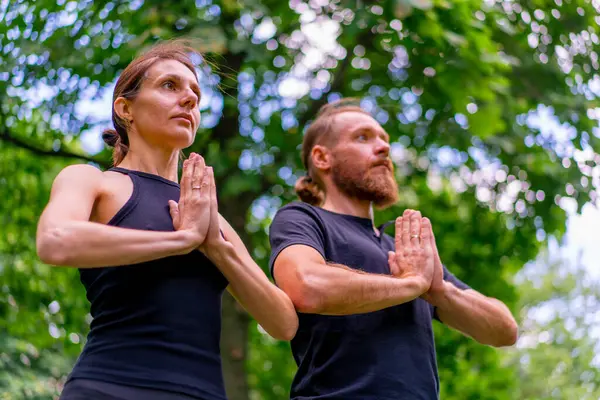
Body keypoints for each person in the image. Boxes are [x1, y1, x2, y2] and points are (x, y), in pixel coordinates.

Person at [36, 42, 298, 400]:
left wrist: (216, 248)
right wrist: (182, 240)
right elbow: (54, 240)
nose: (190, 99)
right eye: (169, 86)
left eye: (195, 93)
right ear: (125, 108)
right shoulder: (92, 181)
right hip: (108, 388)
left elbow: (283, 322)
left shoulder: (208, 217)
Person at [268, 99, 518, 400]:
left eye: (385, 140)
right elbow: (305, 286)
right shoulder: (302, 218)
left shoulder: (404, 248)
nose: (384, 148)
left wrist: (439, 291)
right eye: (363, 137)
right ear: (322, 157)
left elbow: (504, 330)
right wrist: (410, 284)